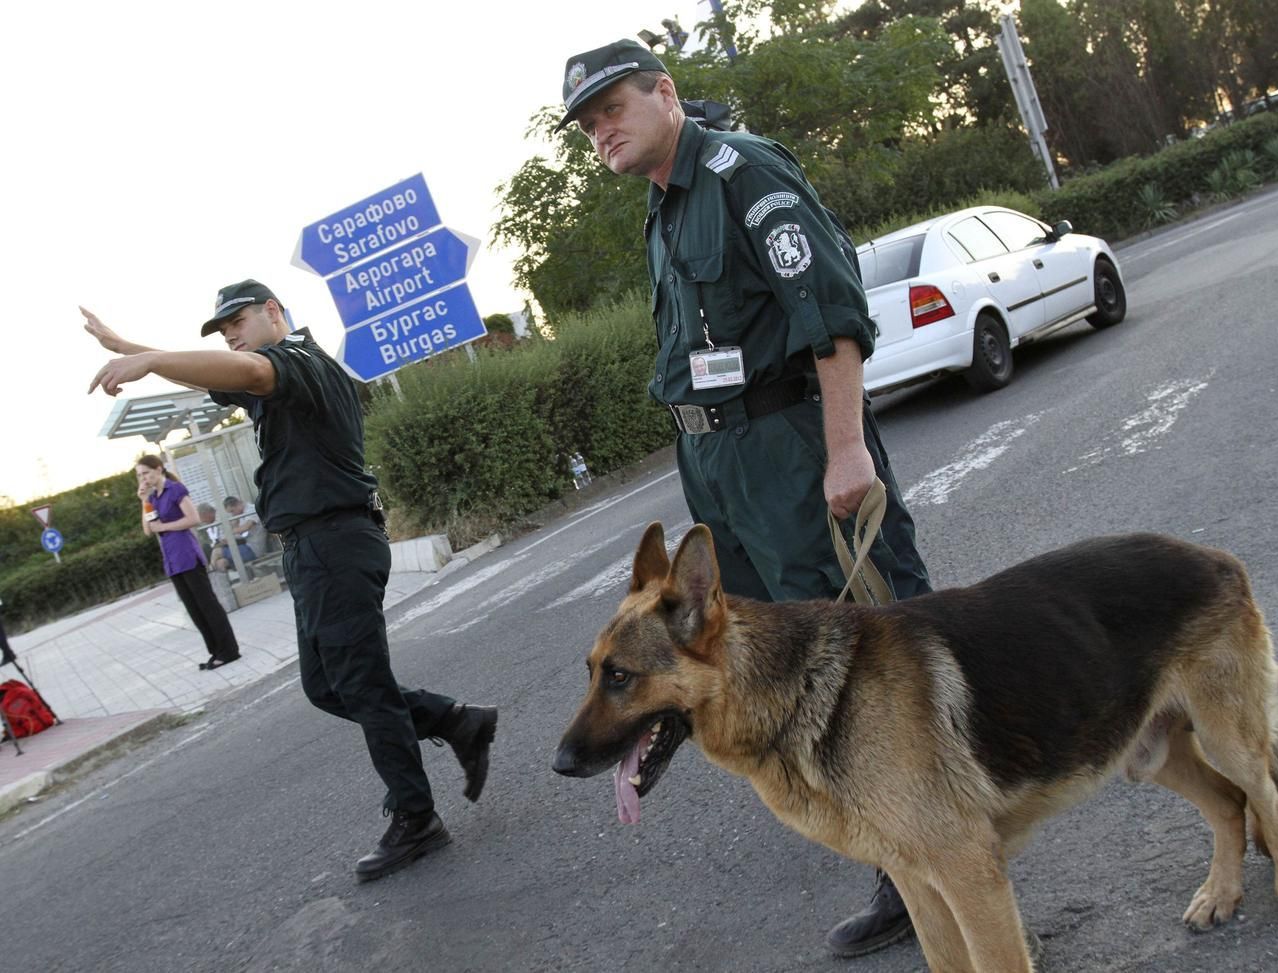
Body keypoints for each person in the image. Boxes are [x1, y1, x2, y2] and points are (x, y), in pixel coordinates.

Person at [556, 40, 933, 958]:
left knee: (862, 644)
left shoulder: (740, 171)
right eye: (588, 121)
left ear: (666, 93)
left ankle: (927, 851)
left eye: (615, 106)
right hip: (717, 459)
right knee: (778, 652)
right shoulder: (662, 205)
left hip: (788, 443)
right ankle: (889, 846)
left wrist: (846, 449)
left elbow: (830, 310)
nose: (602, 128)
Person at [82, 285, 497, 883]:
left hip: (335, 543)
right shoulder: (270, 379)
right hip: (313, 549)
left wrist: (145, 362)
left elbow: (246, 367)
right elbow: (221, 374)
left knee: (362, 684)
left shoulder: (297, 363)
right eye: (221, 328)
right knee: (326, 686)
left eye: (238, 320)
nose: (229, 333)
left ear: (274, 313)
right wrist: (129, 347)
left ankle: (416, 815)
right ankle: (455, 720)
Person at [134, 455, 242, 670]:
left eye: (146, 473)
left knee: (208, 605)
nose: (143, 478)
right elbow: (148, 530)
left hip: (187, 555)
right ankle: (215, 652)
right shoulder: (153, 498)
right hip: (172, 560)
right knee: (194, 610)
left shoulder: (175, 489)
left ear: (159, 468)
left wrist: (164, 527)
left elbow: (193, 519)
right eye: (139, 475)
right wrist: (144, 501)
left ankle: (229, 651)